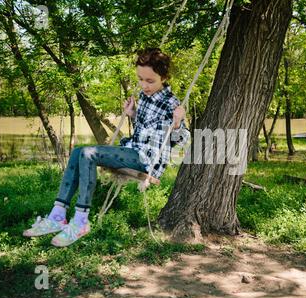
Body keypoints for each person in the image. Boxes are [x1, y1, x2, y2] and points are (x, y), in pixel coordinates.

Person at [23, 48, 190, 247]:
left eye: (150, 81)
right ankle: (57, 216)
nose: (144, 85)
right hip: (134, 149)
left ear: (164, 77)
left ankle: (80, 222)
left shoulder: (172, 103)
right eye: (140, 79)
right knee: (78, 152)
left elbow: (182, 139)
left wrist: (178, 122)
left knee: (87, 153)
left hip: (147, 160)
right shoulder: (145, 97)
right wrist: (133, 114)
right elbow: (147, 129)